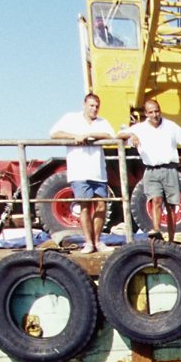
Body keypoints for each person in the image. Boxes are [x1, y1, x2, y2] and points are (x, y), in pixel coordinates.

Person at [48, 92, 118, 253]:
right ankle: (88, 242)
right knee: (84, 206)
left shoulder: (102, 122)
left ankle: (98, 241)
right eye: (91, 106)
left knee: (101, 205)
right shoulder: (71, 118)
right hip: (79, 171)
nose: (94, 109)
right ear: (84, 105)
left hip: (98, 171)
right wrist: (75, 136)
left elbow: (110, 135)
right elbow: (53, 133)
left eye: (97, 106)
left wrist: (90, 135)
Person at [120, 96, 181, 241]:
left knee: (171, 206)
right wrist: (132, 134)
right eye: (151, 112)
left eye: (157, 111)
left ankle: (171, 239)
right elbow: (119, 134)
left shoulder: (171, 126)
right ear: (146, 114)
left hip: (169, 169)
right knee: (156, 200)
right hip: (151, 170)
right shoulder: (140, 128)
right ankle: (157, 230)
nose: (155, 115)